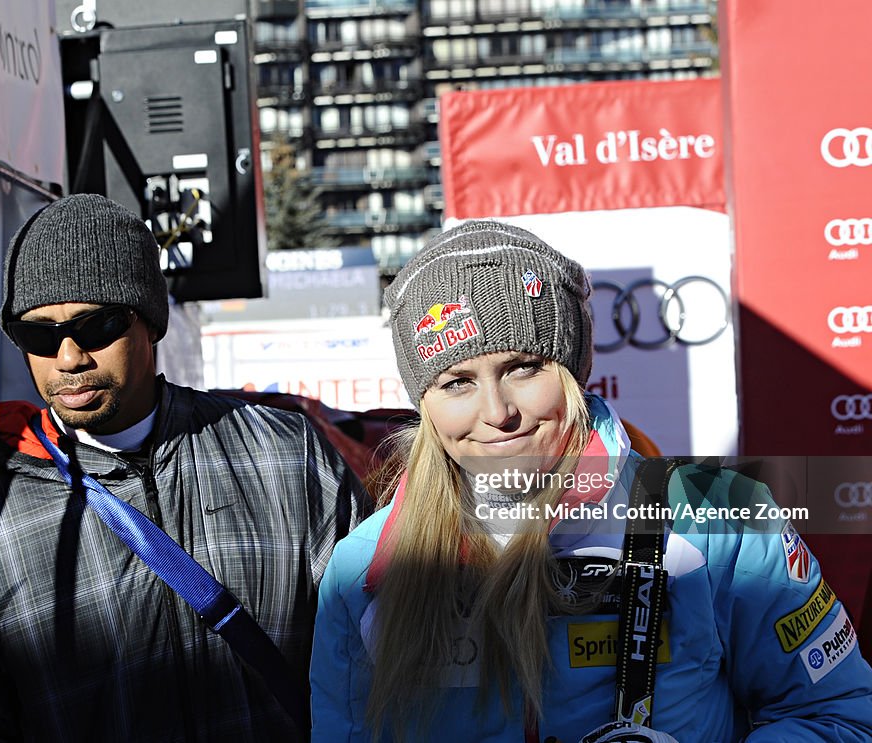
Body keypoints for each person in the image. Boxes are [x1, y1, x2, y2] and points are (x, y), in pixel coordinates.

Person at [310, 220, 872, 742]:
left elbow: (840, 715)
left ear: (576, 370)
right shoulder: (364, 568)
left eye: (522, 367)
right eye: (456, 382)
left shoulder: (718, 513)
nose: (497, 411)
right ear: (423, 400)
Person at [0, 193, 372, 741]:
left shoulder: (284, 455)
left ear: (151, 322)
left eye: (96, 326)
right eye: (38, 335)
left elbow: (379, 663)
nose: (69, 357)